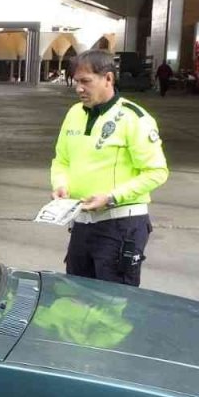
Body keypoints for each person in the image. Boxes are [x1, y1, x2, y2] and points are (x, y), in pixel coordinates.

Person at [50, 49, 169, 287]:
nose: (79, 88)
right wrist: (61, 185)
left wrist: (112, 197)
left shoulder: (134, 118)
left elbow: (156, 172)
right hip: (82, 222)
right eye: (76, 82)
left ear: (108, 79)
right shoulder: (74, 114)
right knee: (77, 294)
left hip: (120, 227)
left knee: (114, 303)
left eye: (86, 81)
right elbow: (61, 160)